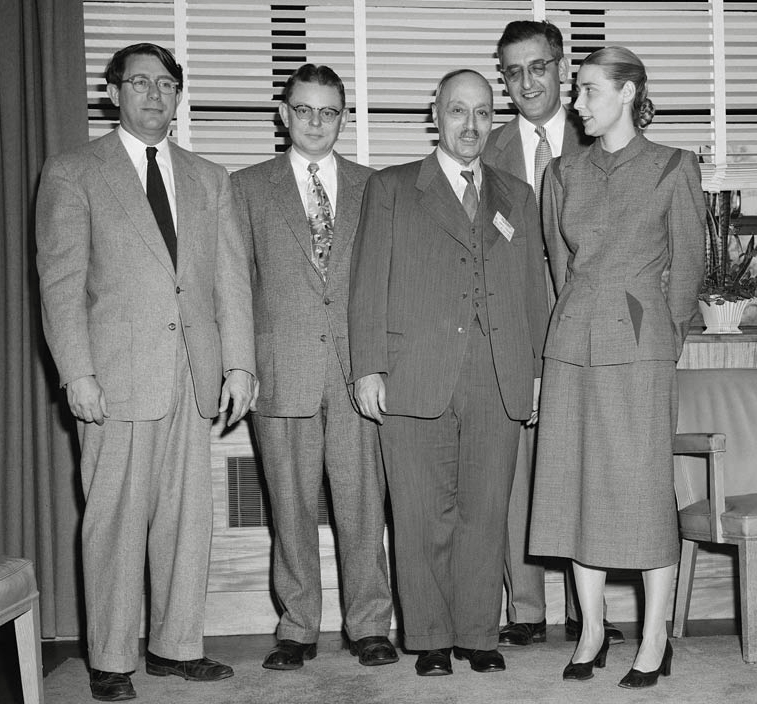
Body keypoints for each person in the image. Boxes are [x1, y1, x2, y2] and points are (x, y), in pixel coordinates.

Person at [36, 43, 257, 702]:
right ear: (113, 91)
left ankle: (176, 646)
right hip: (116, 377)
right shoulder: (74, 171)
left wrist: (240, 364)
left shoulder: (209, 177)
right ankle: (109, 656)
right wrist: (76, 373)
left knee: (188, 521)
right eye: (140, 83)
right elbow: (62, 281)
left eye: (167, 84)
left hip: (194, 376)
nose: (155, 96)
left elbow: (230, 280)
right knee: (115, 520)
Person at [349, 69, 549, 677]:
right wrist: (368, 368)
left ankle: (478, 634)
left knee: (486, 511)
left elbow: (530, 291)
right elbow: (366, 286)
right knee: (418, 512)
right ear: (435, 113)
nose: (471, 125)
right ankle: (431, 638)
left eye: (483, 113)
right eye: (458, 111)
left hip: (497, 374)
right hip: (414, 372)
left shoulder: (517, 194)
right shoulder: (392, 188)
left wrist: (535, 372)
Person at [529, 46, 705, 687]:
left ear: (628, 93)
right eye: (577, 92)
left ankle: (654, 635)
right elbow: (557, 264)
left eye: (588, 92)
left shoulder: (672, 168)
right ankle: (594, 629)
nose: (576, 103)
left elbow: (687, 270)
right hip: (573, 336)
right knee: (577, 483)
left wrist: (660, 333)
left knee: (640, 489)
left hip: (640, 342)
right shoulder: (562, 173)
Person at [231, 64, 396, 672]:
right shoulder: (246, 187)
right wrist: (241, 366)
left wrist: (379, 363)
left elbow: (384, 284)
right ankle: (297, 626)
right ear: (284, 113)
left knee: (363, 507)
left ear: (344, 117)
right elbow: (235, 285)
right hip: (282, 372)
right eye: (304, 110)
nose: (316, 123)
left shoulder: (374, 185)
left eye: (329, 112)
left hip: (359, 374)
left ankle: (369, 624)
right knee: (290, 507)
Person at [482, 19, 624, 649]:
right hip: (515, 327)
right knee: (518, 478)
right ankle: (528, 609)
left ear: (562, 67)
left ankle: (588, 612)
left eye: (538, 67)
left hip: (590, 328)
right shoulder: (484, 149)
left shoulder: (603, 134)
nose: (526, 82)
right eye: (512, 71)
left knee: (586, 468)